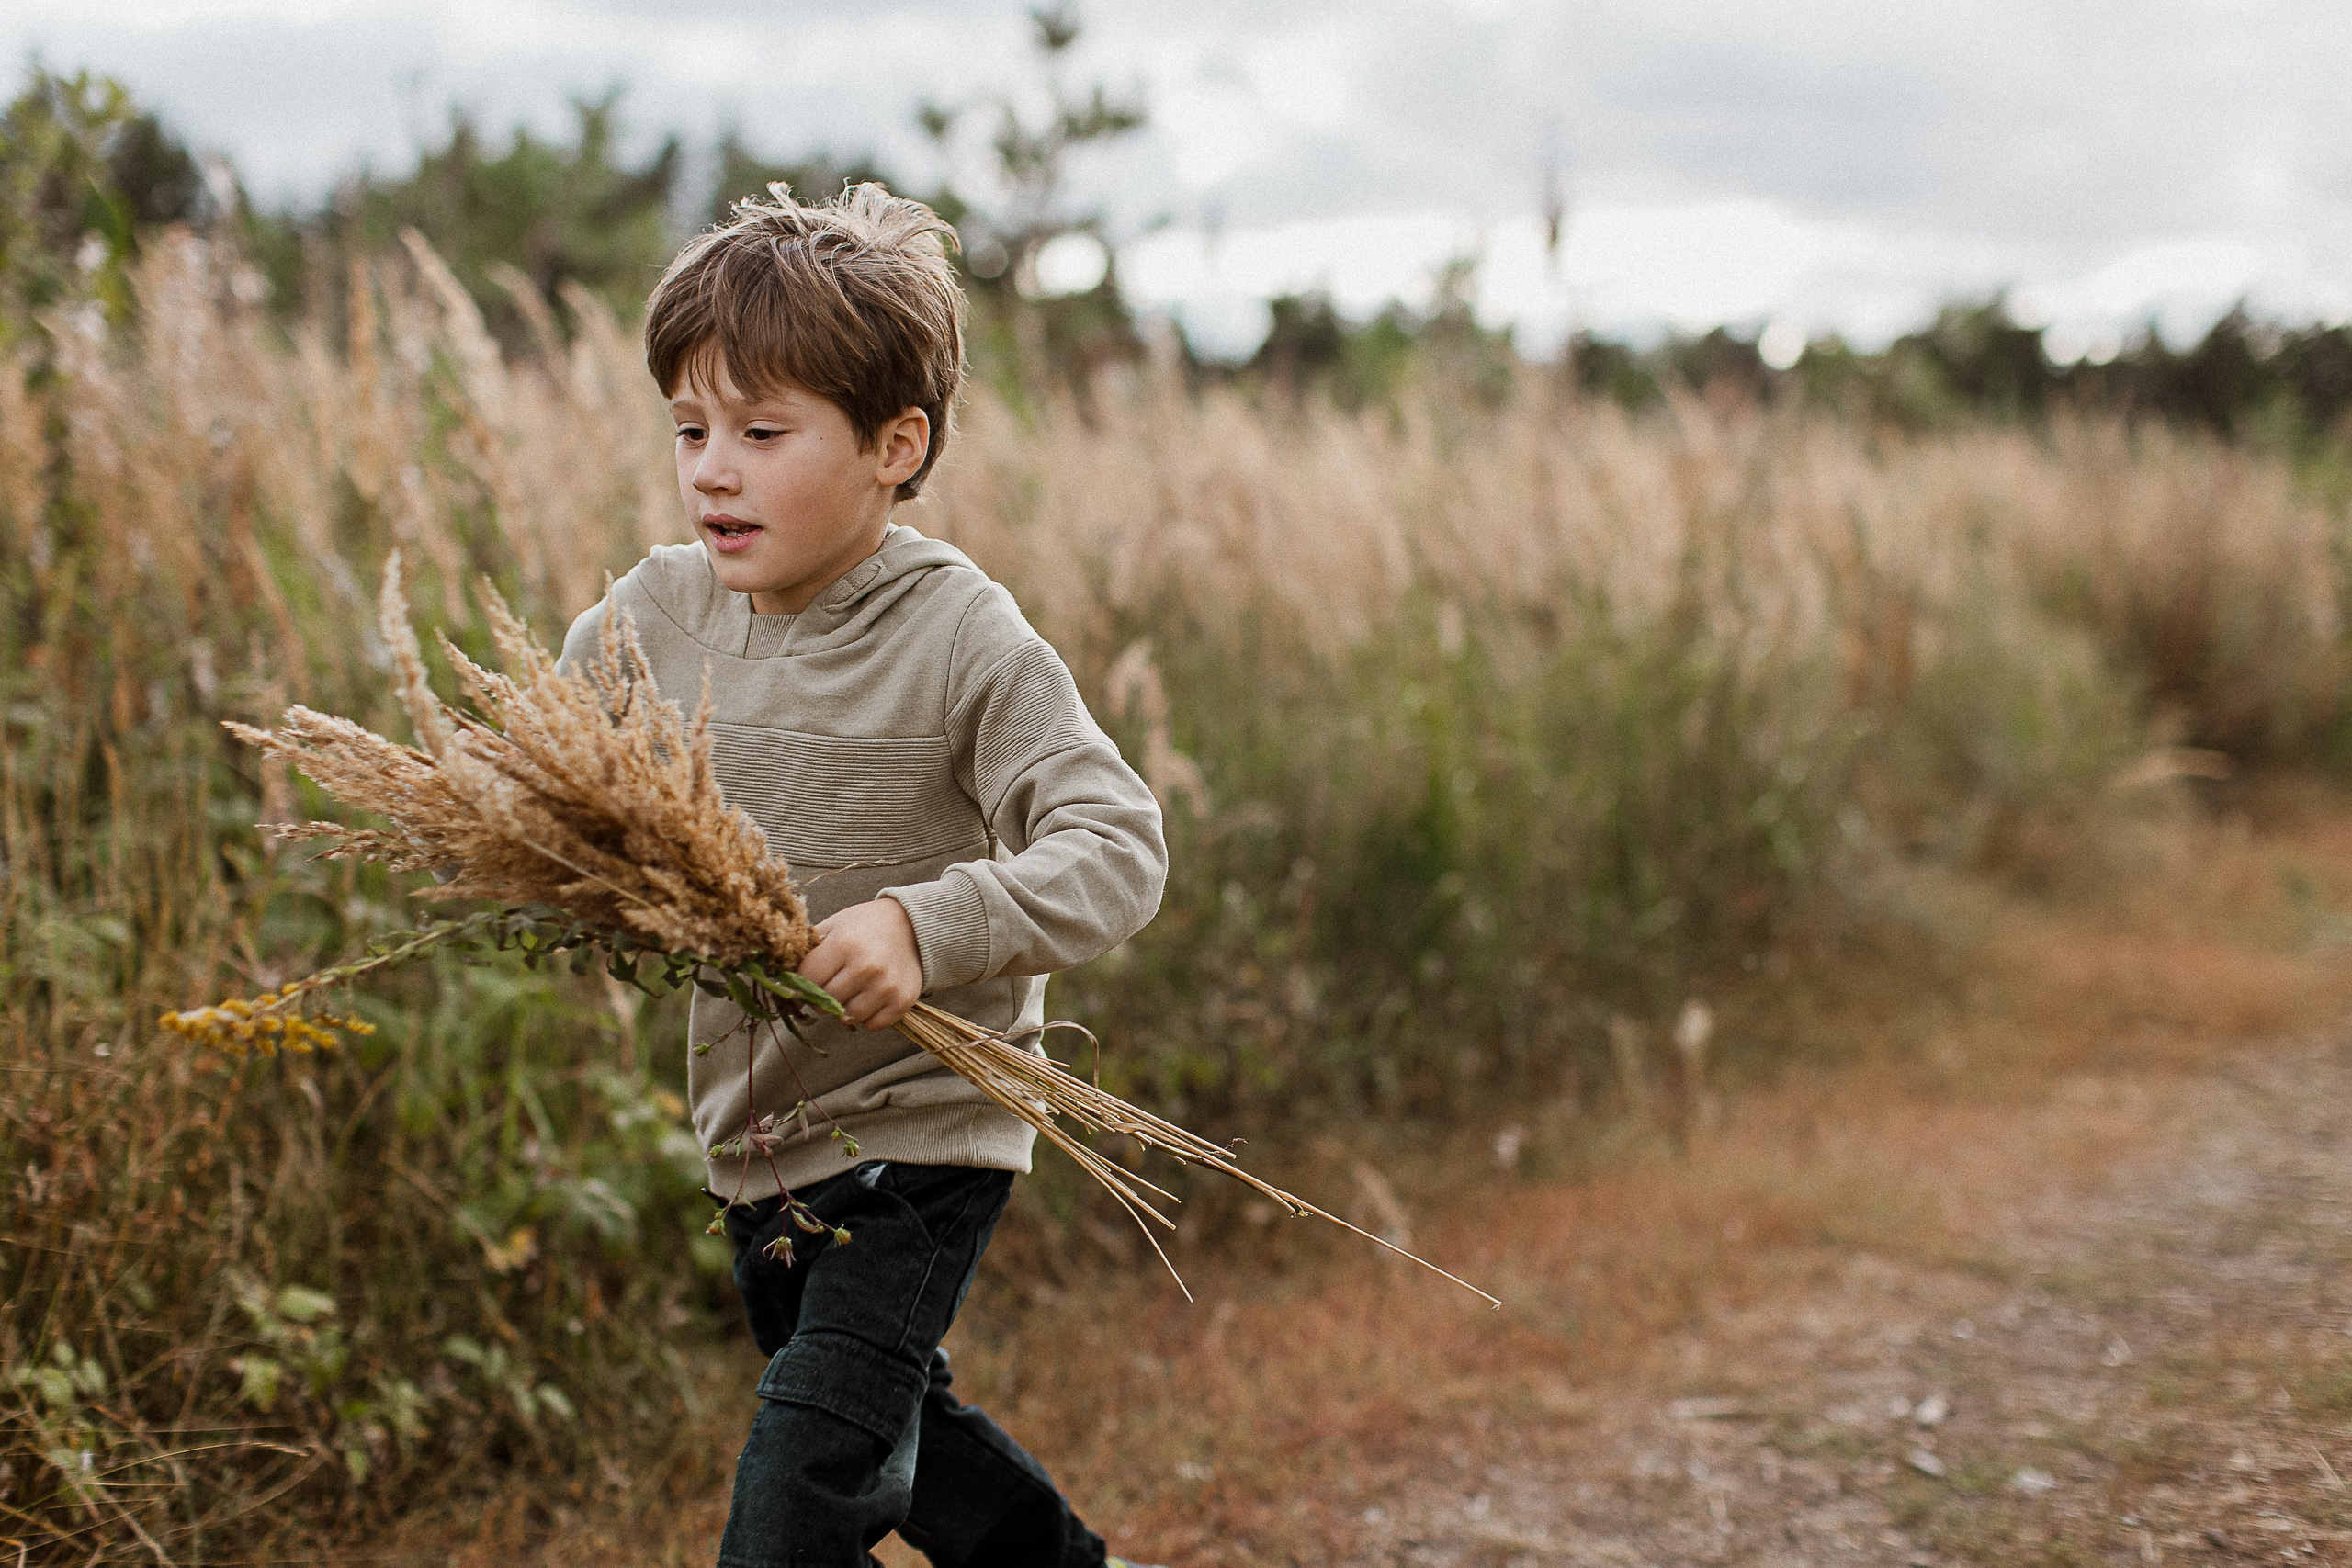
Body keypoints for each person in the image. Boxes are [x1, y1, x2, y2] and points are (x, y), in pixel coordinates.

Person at [560, 183, 1167, 1568]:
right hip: (759, 1136)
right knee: (905, 1435)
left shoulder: (960, 635)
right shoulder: (650, 615)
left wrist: (923, 920)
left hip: (923, 1136)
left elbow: (1117, 844)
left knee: (804, 1482)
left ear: (899, 446)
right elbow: (547, 784)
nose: (713, 468)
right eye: (690, 430)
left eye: (763, 434)